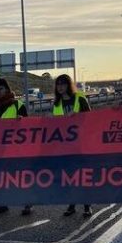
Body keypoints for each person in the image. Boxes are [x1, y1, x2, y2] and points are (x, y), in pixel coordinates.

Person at [0, 78, 33, 216]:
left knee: (21, 176)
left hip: (16, 148)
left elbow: (29, 126)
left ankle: (27, 202)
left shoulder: (18, 105)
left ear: (7, 89)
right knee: (0, 177)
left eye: (1, 89)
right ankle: (3, 203)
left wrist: (21, 121)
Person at [52, 74, 93, 218]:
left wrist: (77, 118)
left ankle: (87, 206)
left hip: (81, 144)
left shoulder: (80, 99)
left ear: (69, 85)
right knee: (69, 177)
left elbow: (91, 119)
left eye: (63, 84)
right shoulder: (56, 104)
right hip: (65, 146)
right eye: (58, 84)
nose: (60, 87)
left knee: (82, 176)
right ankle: (72, 205)